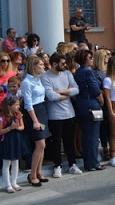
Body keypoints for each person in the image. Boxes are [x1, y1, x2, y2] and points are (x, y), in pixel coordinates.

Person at [41, 52, 82, 177]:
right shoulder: (45, 77)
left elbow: (77, 90)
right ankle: (57, 165)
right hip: (54, 115)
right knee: (56, 142)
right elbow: (51, 96)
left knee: (69, 141)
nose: (65, 65)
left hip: (69, 113)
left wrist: (61, 92)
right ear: (54, 64)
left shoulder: (68, 74)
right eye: (62, 63)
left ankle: (72, 164)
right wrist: (68, 94)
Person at [21, 55, 51, 186]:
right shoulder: (26, 82)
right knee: (40, 145)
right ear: (33, 66)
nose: (43, 66)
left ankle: (38, 172)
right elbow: (28, 104)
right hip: (33, 112)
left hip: (42, 109)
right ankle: (32, 174)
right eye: (41, 64)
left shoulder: (38, 79)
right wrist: (35, 120)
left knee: (43, 144)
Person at [74, 50, 105, 171]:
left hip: (82, 104)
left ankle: (89, 162)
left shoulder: (78, 72)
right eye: (90, 57)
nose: (92, 59)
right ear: (84, 59)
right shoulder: (88, 72)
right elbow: (95, 89)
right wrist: (101, 100)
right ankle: (93, 163)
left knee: (86, 135)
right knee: (93, 135)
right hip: (91, 104)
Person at [1, 96, 25, 192]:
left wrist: (18, 128)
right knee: (6, 162)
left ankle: (14, 182)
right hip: (7, 140)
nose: (18, 106)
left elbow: (22, 126)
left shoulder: (18, 115)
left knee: (16, 161)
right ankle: (7, 184)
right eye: (16, 105)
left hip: (16, 139)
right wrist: (9, 128)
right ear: (9, 106)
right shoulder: (3, 117)